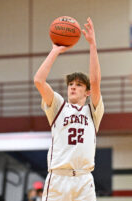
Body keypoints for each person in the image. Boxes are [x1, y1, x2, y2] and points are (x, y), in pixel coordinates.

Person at [34, 17, 104, 201]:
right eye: (71, 84)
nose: (73, 87)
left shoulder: (93, 111)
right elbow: (39, 81)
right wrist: (55, 50)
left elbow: (96, 81)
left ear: (87, 92)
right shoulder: (58, 106)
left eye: (79, 85)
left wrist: (92, 44)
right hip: (58, 179)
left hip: (83, 179)